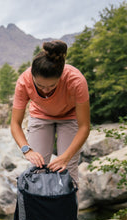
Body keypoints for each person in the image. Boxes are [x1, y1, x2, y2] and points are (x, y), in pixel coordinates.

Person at [10, 40, 90, 183]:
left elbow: (84, 127)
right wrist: (26, 150)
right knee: (37, 168)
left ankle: (69, 205)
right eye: (40, 85)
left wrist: (65, 158)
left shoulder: (76, 80)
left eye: (52, 86)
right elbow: (15, 124)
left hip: (70, 117)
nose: (45, 91)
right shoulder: (23, 81)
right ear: (32, 75)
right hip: (40, 116)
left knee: (67, 171)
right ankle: (39, 205)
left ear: (61, 77)